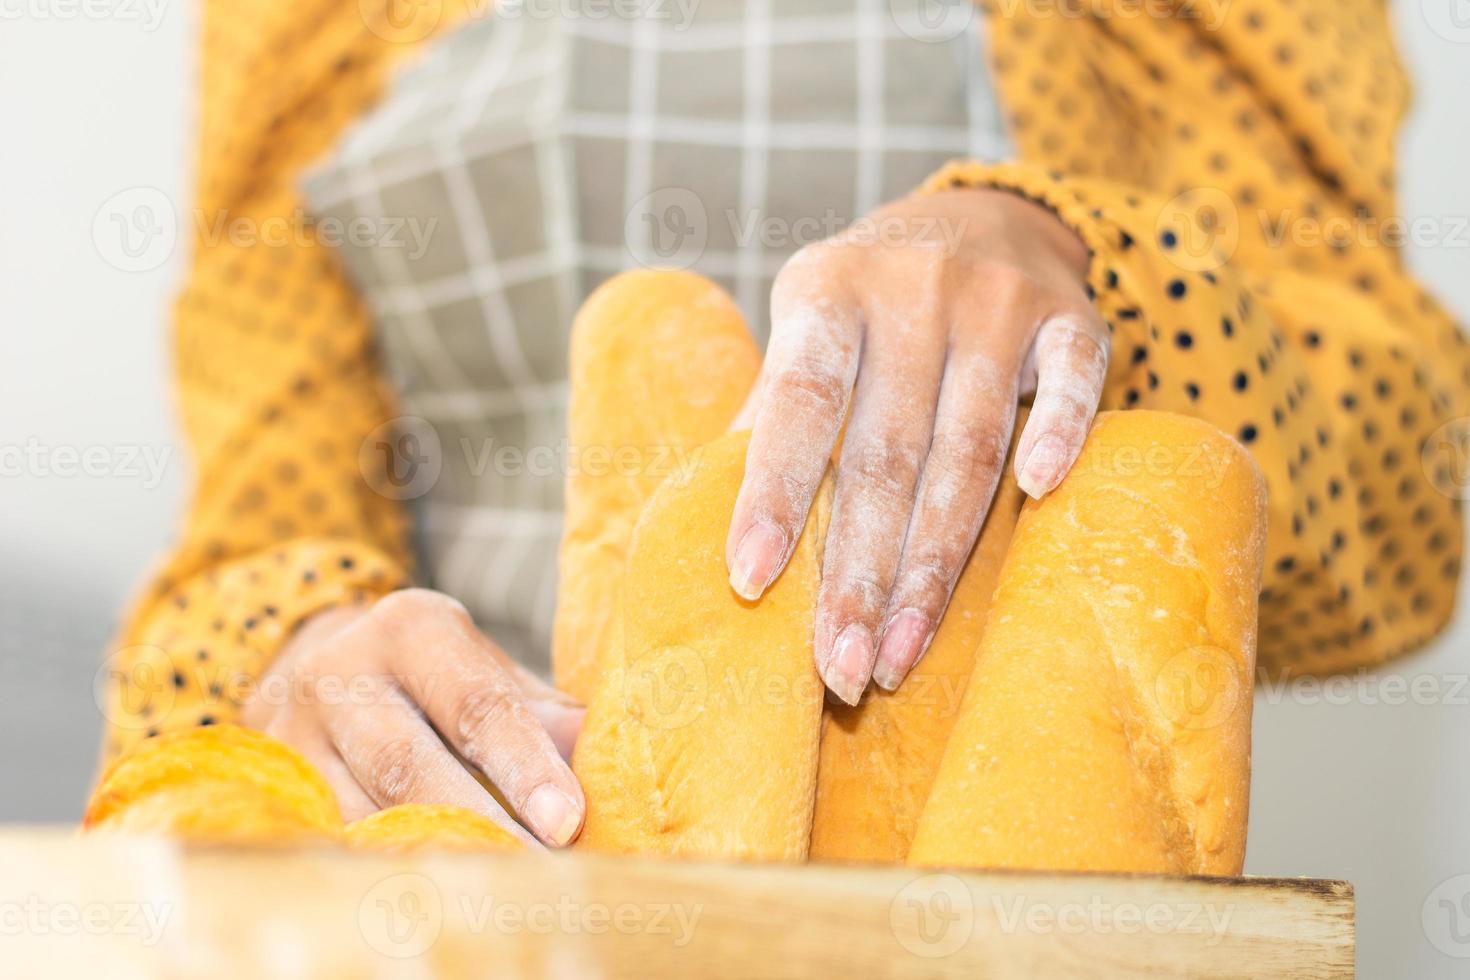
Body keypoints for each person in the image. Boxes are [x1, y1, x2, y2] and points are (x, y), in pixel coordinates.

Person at [99, 0, 1470, 850]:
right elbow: (250, 540)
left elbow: (1412, 491)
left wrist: (1075, 264)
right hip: (479, 900)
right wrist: (313, 655)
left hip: (1013, 917)